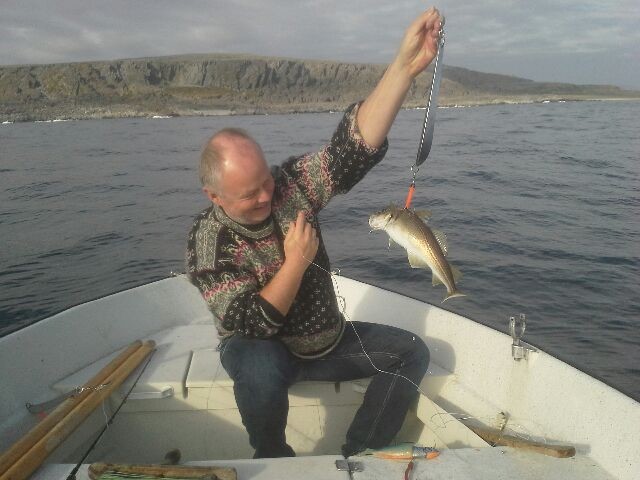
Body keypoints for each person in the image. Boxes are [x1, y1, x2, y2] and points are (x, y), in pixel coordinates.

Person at [187, 7, 443, 459]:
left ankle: (361, 455)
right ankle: (273, 458)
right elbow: (253, 323)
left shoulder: (290, 186)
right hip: (264, 352)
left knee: (413, 352)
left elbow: (352, 150)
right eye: (249, 194)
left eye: (265, 181)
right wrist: (296, 264)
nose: (266, 196)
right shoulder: (208, 243)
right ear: (215, 196)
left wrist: (403, 68)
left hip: (327, 344)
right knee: (258, 361)